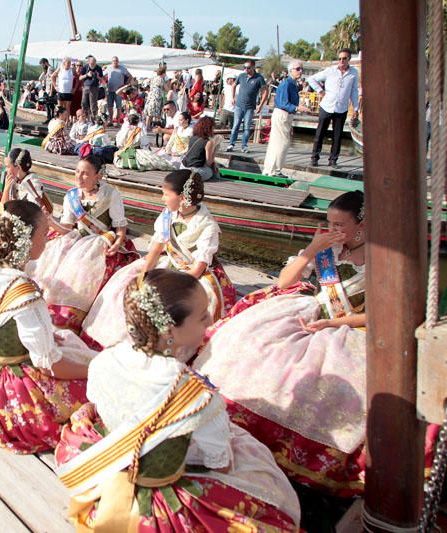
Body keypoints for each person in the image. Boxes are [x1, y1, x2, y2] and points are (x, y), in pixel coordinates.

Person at [55, 269, 302, 531]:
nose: (210, 321)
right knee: (253, 463)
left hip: (111, 475)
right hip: (164, 506)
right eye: (202, 316)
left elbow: (101, 408)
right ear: (170, 330)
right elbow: (219, 462)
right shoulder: (197, 396)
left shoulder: (103, 361)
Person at [193, 191, 374, 495]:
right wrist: (313, 249)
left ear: (362, 226)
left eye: (340, 225)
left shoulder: (379, 260)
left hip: (346, 327)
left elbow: (379, 314)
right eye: (328, 223)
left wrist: (331, 323)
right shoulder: (327, 250)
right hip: (310, 312)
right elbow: (284, 283)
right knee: (249, 344)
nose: (332, 231)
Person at [0, 200, 93, 453]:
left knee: (66, 344)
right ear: (27, 240)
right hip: (16, 391)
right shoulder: (25, 292)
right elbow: (49, 364)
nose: (47, 239)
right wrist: (94, 370)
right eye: (44, 233)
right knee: (97, 390)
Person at [82, 170, 237, 350]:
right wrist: (145, 274)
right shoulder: (167, 215)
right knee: (127, 283)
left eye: (165, 194)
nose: (162, 198)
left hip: (192, 273)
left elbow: (198, 267)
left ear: (181, 198)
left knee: (190, 301)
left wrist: (170, 284)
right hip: (168, 262)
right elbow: (156, 248)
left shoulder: (207, 226)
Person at [29, 155, 138, 332]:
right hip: (76, 239)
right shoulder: (71, 196)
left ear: (98, 176)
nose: (79, 177)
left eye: (85, 174)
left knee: (81, 269)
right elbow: (66, 227)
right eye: (77, 172)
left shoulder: (111, 194)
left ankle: (72, 317)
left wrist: (117, 242)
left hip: (101, 240)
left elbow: (120, 226)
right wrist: (49, 221)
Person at [307, 48, 361, 167]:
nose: (341, 61)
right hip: (327, 106)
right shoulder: (330, 71)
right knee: (320, 133)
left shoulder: (353, 73)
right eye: (339, 59)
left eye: (344, 59)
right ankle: (314, 157)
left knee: (337, 136)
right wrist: (320, 91)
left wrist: (356, 108)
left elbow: (354, 91)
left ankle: (333, 160)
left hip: (341, 108)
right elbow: (311, 79)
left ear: (349, 60)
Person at [263, 60, 310, 177]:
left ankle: (271, 170)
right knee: (281, 143)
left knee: (278, 142)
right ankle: (274, 170)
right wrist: (298, 108)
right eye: (298, 69)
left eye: (301, 69)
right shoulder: (286, 84)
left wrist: (297, 107)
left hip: (287, 115)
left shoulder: (293, 84)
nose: (301, 71)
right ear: (290, 71)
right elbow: (283, 103)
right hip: (282, 114)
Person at [226, 59, 268, 153]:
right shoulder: (241, 76)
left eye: (248, 68)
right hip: (239, 105)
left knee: (246, 127)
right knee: (235, 125)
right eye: (244, 67)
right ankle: (231, 144)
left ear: (253, 67)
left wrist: (261, 105)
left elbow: (265, 91)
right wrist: (233, 98)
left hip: (250, 106)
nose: (246, 69)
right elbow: (233, 85)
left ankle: (244, 146)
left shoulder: (259, 78)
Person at [182, 117, 217, 181]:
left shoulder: (192, 138)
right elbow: (209, 162)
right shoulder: (208, 142)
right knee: (213, 171)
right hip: (195, 171)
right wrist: (215, 150)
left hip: (183, 167)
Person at [103, 56, 131, 126]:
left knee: (118, 107)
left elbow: (130, 76)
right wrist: (105, 84)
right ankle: (111, 121)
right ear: (112, 62)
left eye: (116, 61)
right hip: (110, 90)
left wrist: (125, 85)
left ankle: (118, 122)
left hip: (119, 91)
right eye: (113, 61)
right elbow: (102, 76)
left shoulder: (122, 68)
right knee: (110, 107)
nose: (115, 62)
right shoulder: (109, 68)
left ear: (118, 61)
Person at [143, 63, 170, 130]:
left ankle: (147, 126)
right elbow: (167, 89)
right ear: (163, 73)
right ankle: (153, 126)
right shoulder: (161, 79)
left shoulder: (153, 78)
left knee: (150, 112)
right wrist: (169, 84)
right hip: (156, 97)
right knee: (153, 112)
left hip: (151, 96)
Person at [79, 56, 104, 120]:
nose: (92, 65)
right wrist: (87, 75)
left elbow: (102, 80)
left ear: (95, 62)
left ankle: (94, 120)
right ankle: (84, 119)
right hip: (86, 87)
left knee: (93, 105)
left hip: (94, 87)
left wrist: (98, 76)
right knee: (84, 103)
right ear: (88, 62)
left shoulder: (98, 68)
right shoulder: (85, 67)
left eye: (93, 63)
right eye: (91, 63)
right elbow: (80, 78)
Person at [38, 57, 56, 122]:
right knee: (47, 104)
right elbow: (40, 78)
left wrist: (51, 91)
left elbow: (52, 80)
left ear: (45, 63)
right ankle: (49, 118)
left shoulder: (50, 69)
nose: (42, 66)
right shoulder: (46, 70)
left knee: (50, 105)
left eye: (42, 65)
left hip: (50, 90)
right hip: (47, 90)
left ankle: (51, 118)